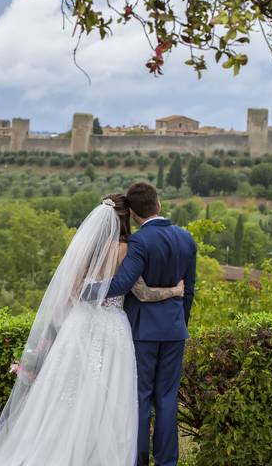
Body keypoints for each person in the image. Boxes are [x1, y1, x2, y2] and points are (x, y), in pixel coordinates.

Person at [0, 194, 184, 466]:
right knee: (110, 397)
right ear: (126, 218)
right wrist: (174, 291)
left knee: (64, 395)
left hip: (80, 324)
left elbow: (70, 291)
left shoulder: (86, 247)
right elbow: (140, 292)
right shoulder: (126, 248)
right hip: (113, 327)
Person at [106, 182, 197, 466]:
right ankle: (167, 462)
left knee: (141, 397)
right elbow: (190, 290)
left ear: (133, 214)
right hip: (174, 330)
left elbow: (121, 284)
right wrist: (180, 322)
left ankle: (139, 460)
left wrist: (85, 289)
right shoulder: (186, 238)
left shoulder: (139, 242)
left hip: (143, 332)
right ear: (158, 204)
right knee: (168, 398)